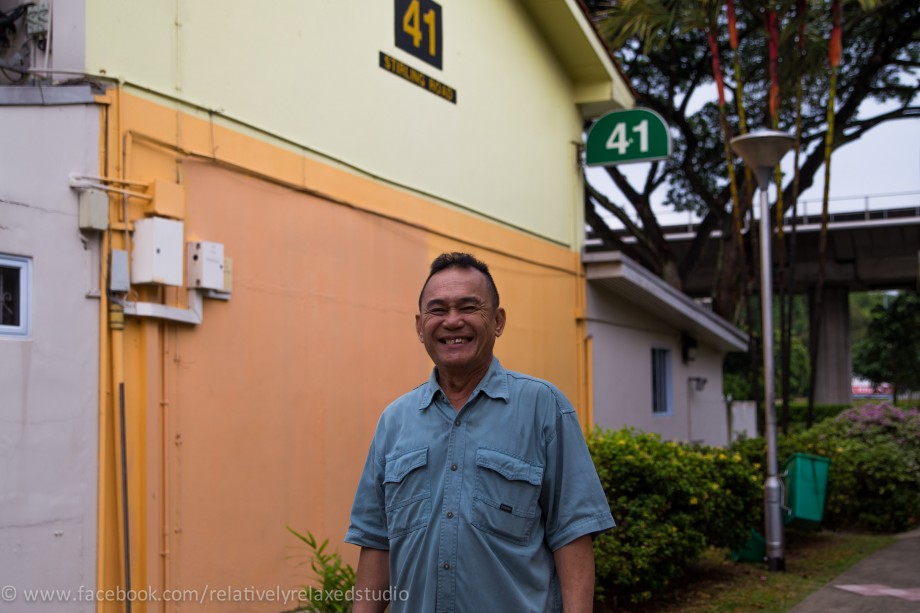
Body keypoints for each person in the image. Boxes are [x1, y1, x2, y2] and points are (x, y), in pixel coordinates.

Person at [345, 252, 614, 613]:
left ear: (498, 321)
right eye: (437, 310)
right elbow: (376, 543)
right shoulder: (394, 421)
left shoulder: (543, 407)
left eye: (468, 307)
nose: (452, 321)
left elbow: (573, 535)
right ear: (419, 324)